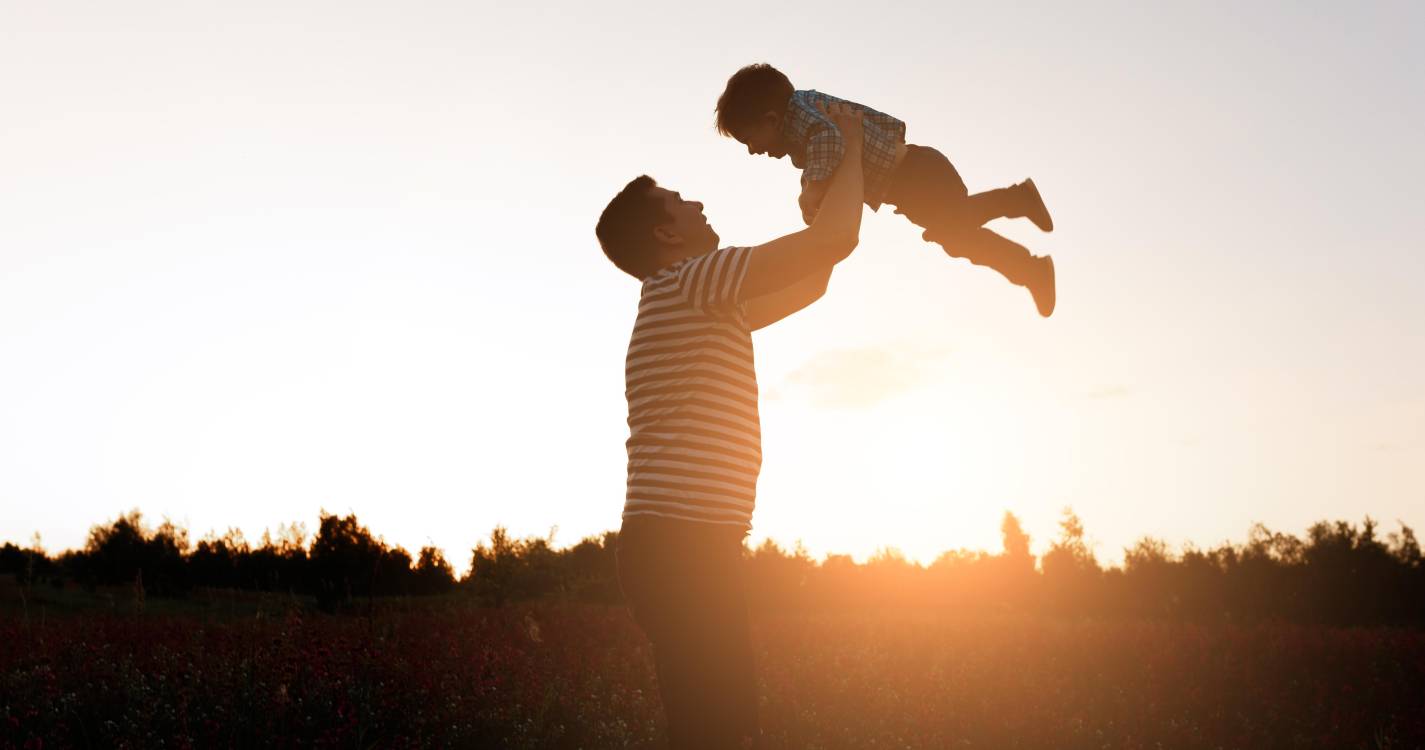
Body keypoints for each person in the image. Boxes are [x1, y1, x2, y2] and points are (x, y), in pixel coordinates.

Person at [595, 102, 867, 749]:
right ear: (665, 235)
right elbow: (836, 243)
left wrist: (823, 198)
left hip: (692, 546)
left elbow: (814, 279)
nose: (696, 203)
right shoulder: (691, 282)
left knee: (722, 724)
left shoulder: (701, 298)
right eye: (679, 200)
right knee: (716, 727)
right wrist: (852, 152)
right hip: (679, 546)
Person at [715, 62, 1058, 317]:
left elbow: (830, 140)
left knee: (954, 232)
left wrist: (812, 190)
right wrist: (811, 187)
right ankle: (1029, 264)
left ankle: (1020, 215)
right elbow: (829, 149)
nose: (751, 150)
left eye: (749, 139)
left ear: (771, 120)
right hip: (912, 181)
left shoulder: (805, 118)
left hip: (917, 174)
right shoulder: (805, 118)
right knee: (956, 235)